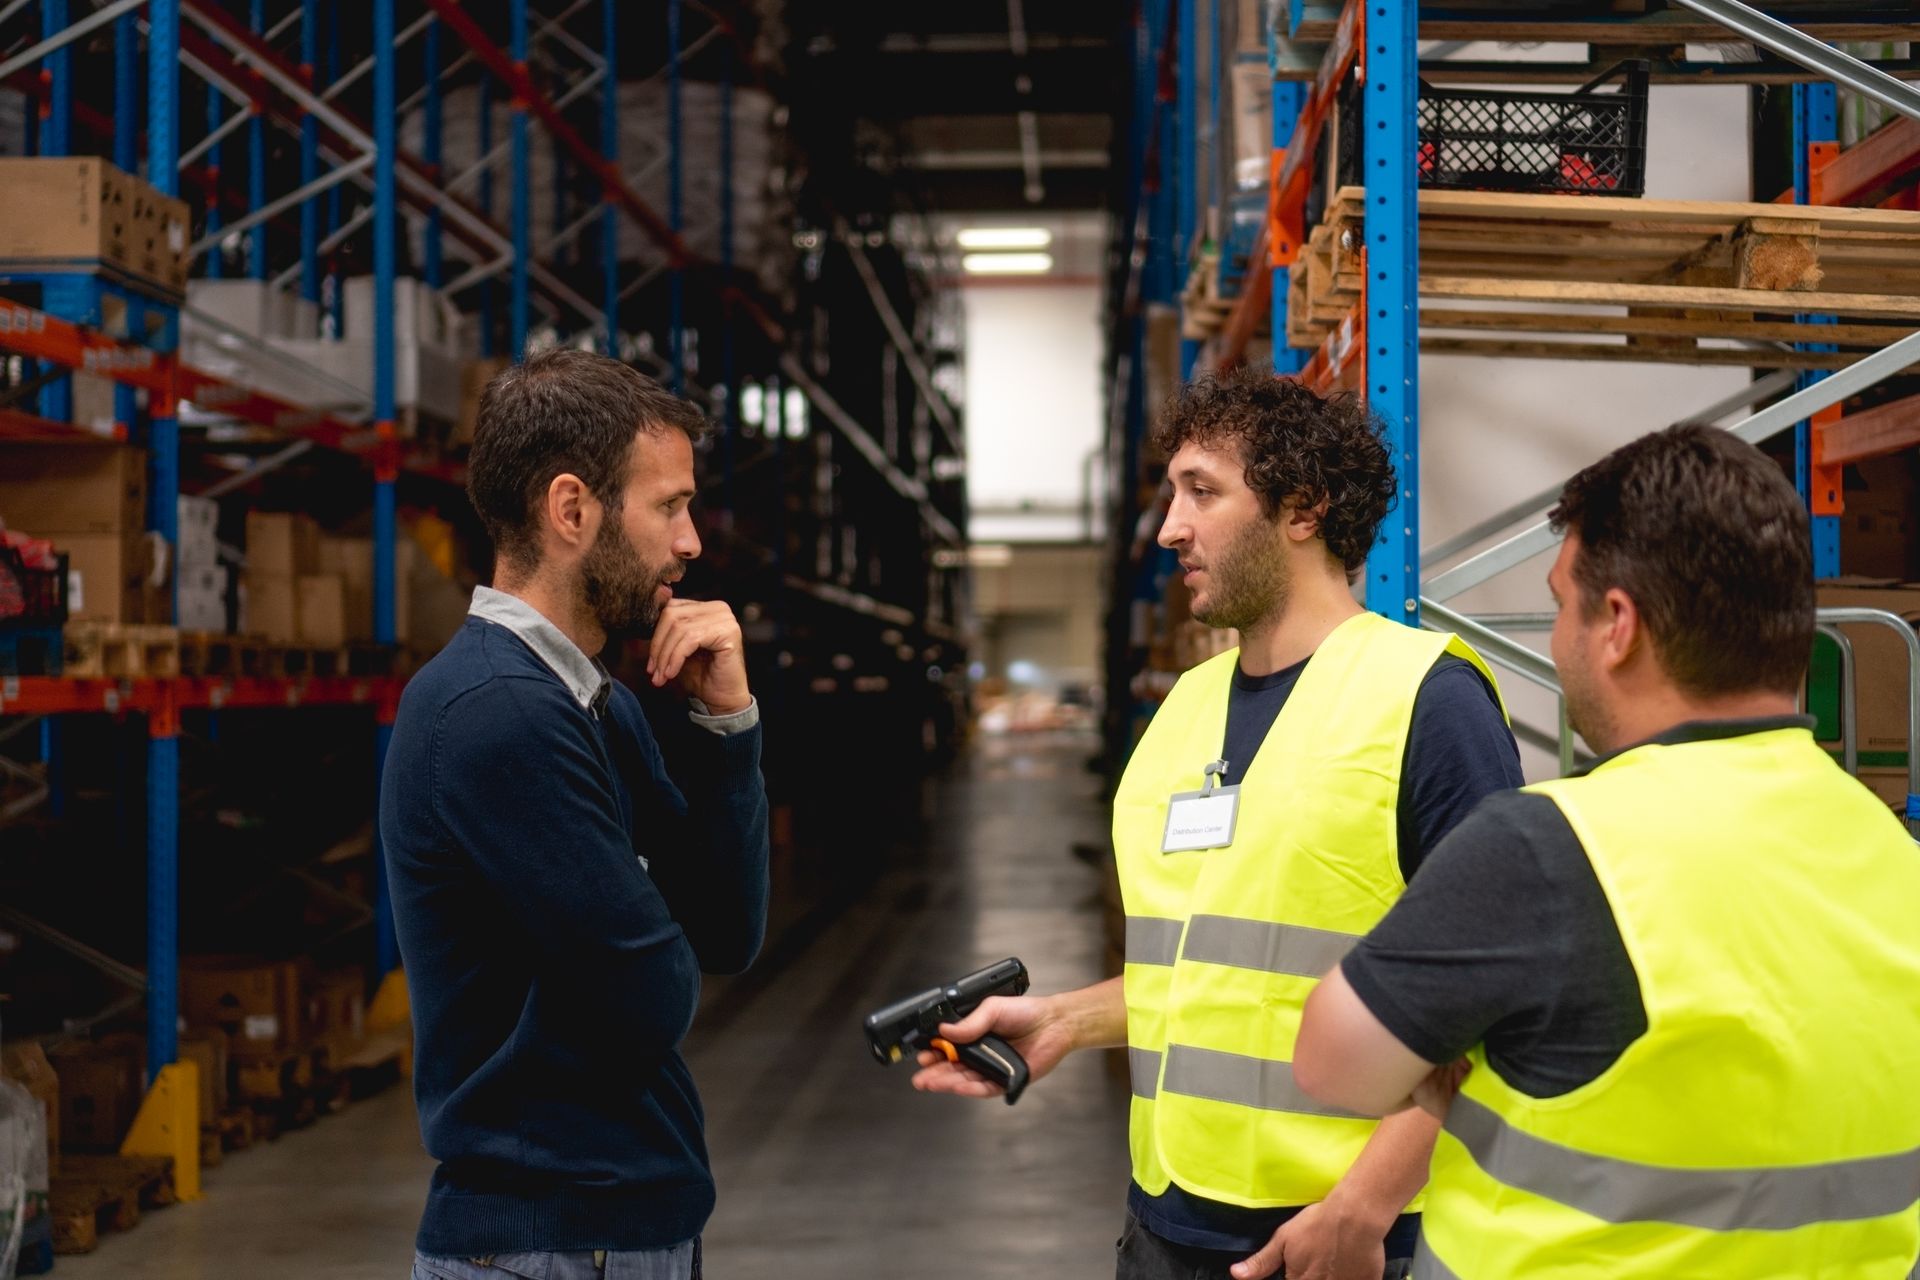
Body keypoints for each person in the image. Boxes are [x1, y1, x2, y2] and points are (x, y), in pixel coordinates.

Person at [913, 367, 1522, 1280]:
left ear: (1304, 509)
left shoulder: (1427, 701)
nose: (1170, 528)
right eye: (1170, 494)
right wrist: (1066, 1023)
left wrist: (1361, 1210)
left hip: (1346, 1240)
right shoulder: (1186, 711)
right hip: (1166, 1227)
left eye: (1203, 491)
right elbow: (1217, 977)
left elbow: (1505, 1001)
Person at [1293, 424, 1920, 1278]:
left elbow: (1332, 1068)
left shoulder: (1549, 848)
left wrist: (1462, 1063)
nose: (1557, 639)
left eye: (1561, 605)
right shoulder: (1891, 851)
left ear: (1617, 624)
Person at [381, 349, 770, 1280]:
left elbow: (724, 931)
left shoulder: (594, 703)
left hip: (605, 1227)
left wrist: (728, 721)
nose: (691, 543)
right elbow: (653, 992)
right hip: (550, 1238)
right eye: (668, 506)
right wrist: (646, 919)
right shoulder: (497, 713)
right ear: (571, 511)